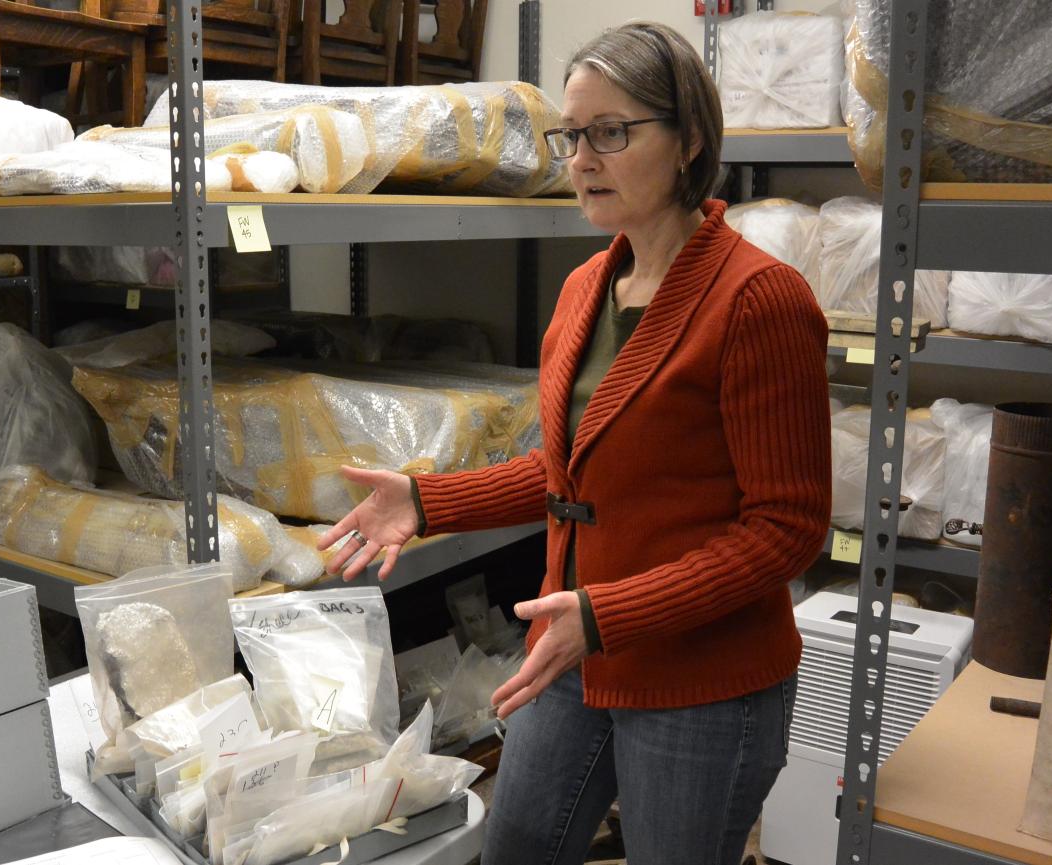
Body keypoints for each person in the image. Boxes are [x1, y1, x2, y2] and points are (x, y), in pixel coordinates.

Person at [318, 20, 831, 865]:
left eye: (610, 133)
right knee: (516, 844)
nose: (581, 158)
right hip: (573, 650)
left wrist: (608, 614)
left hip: (700, 681)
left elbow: (787, 529)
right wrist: (425, 498)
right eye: (570, 135)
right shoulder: (587, 286)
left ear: (690, 139)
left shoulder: (759, 301)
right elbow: (570, 471)